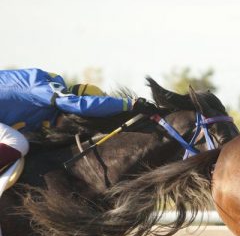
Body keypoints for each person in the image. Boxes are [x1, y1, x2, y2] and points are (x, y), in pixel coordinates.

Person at [0, 68, 157, 170]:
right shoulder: (45, 89)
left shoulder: (45, 110)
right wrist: (130, 104)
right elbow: (80, 105)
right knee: (17, 143)